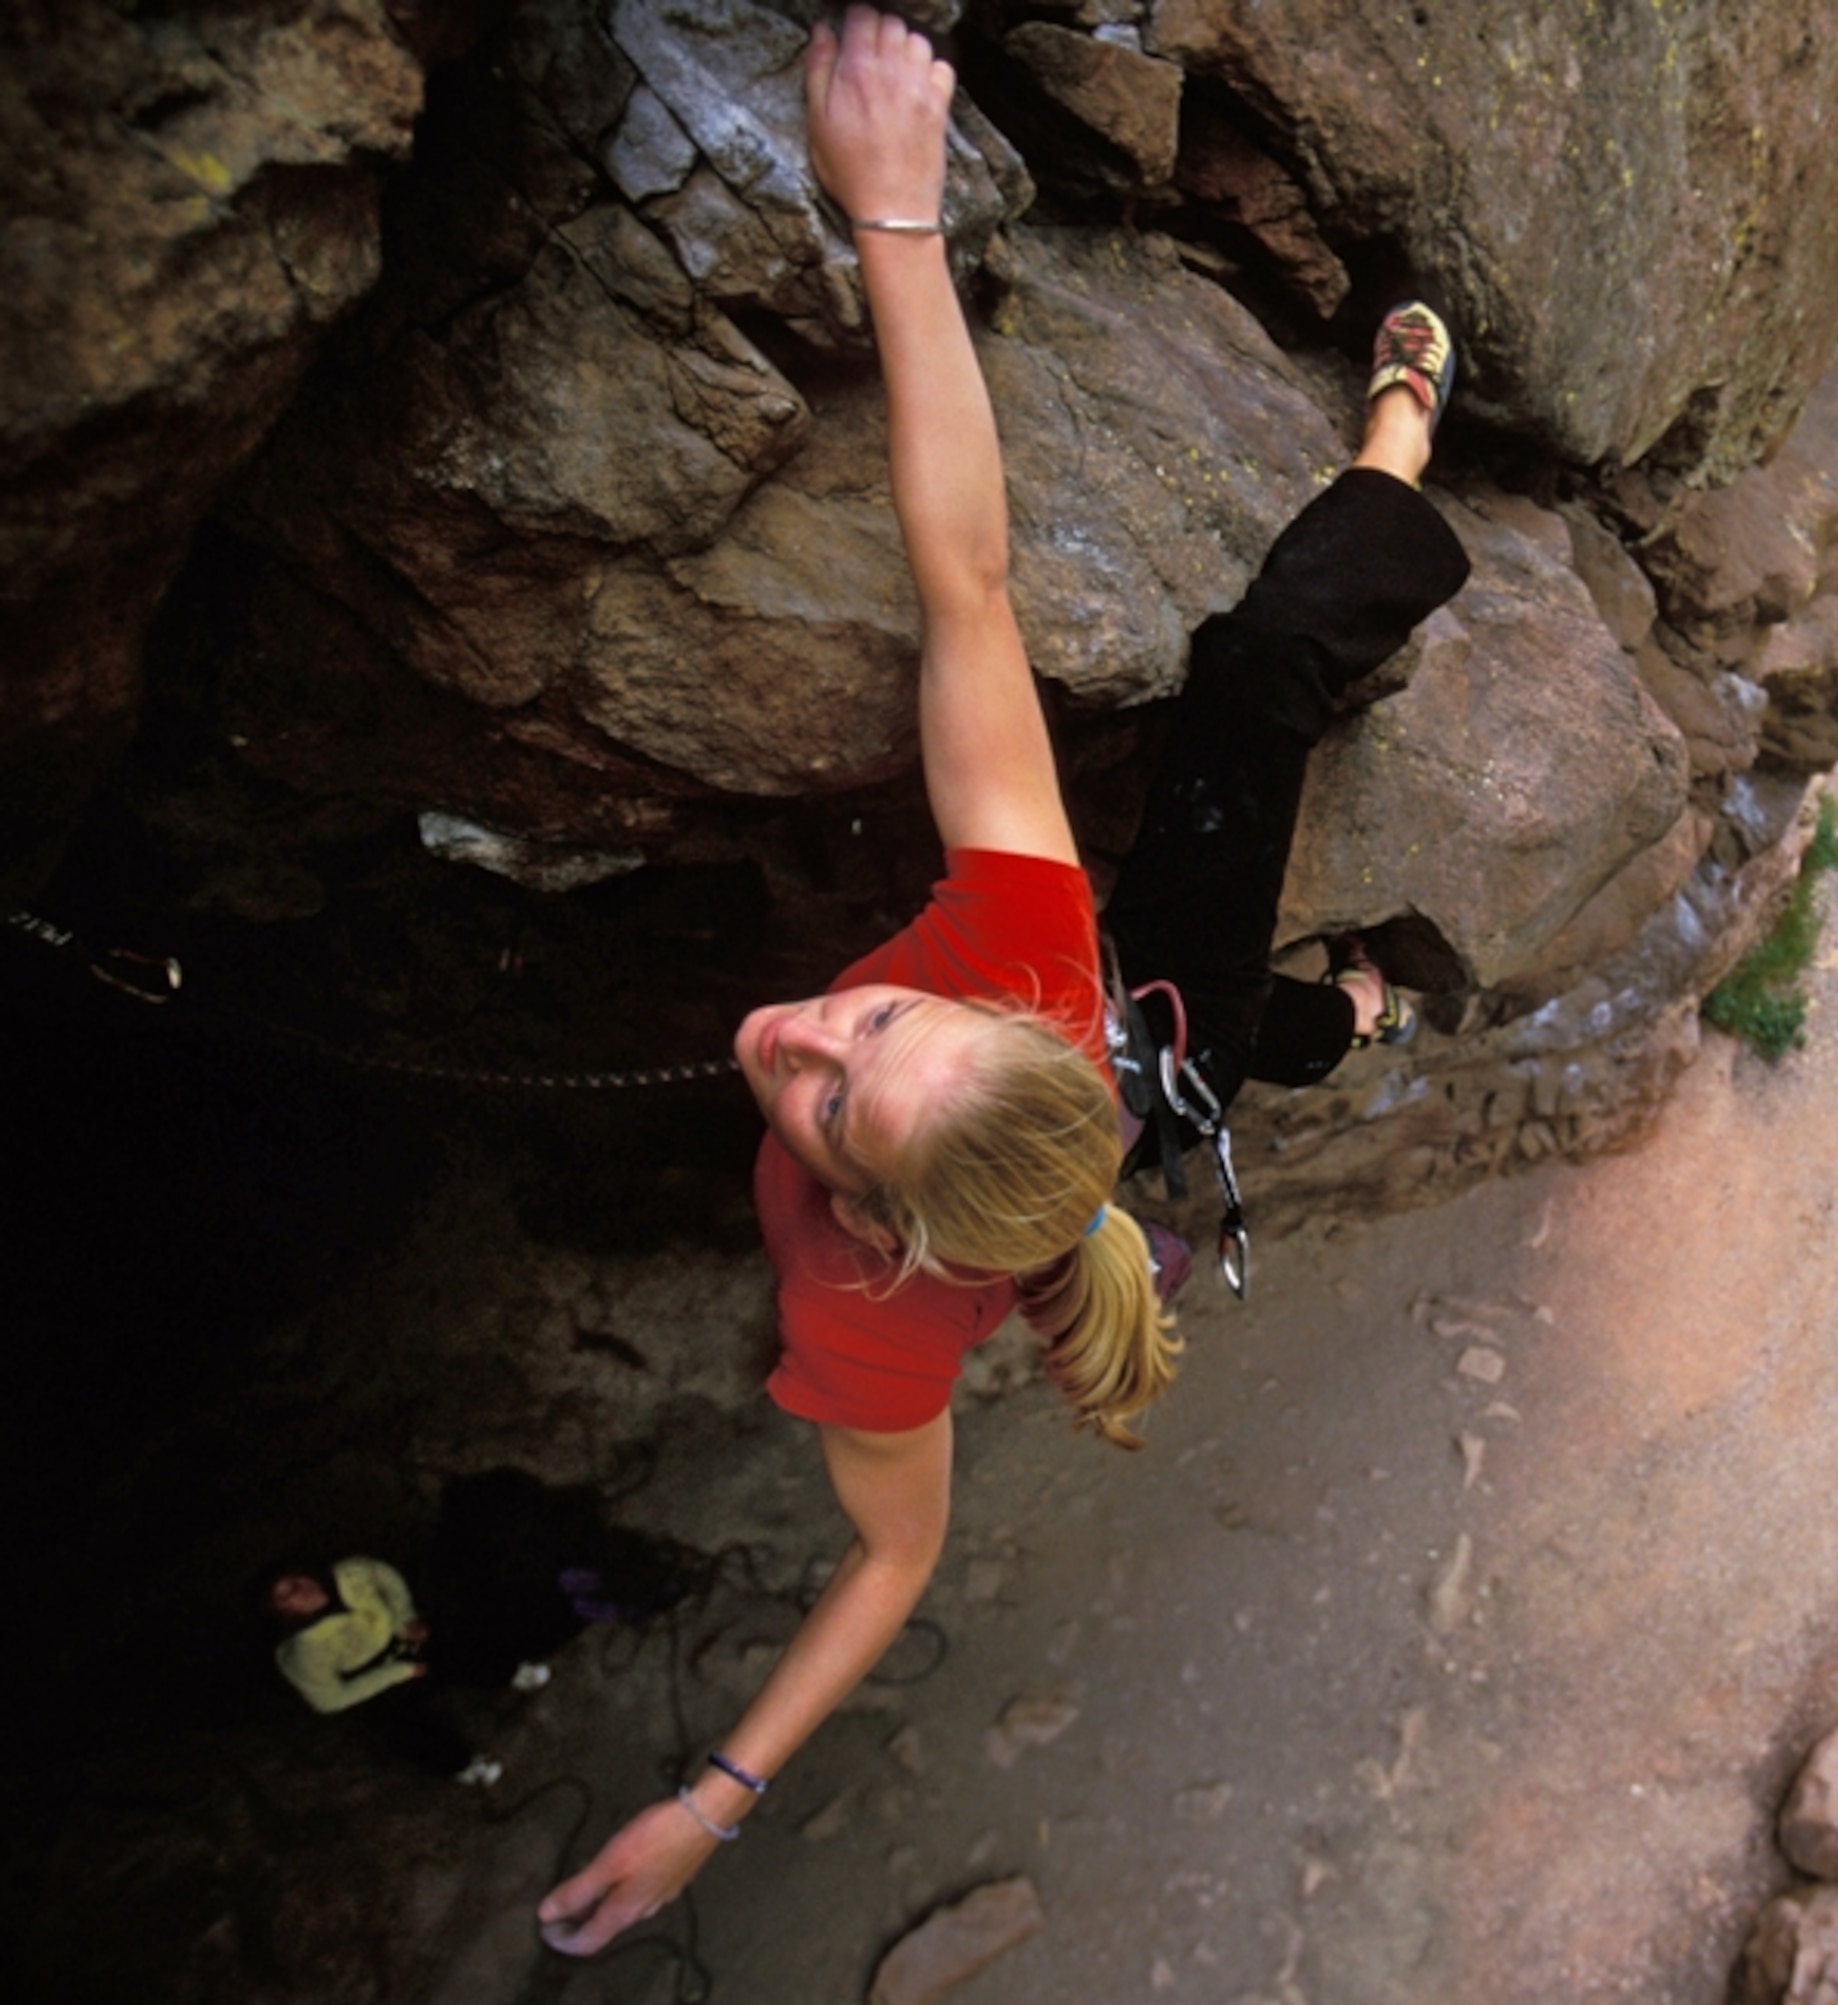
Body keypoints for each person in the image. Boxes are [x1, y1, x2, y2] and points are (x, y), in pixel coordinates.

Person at [537, 6, 1467, 1954]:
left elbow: (892, 1556)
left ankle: (1360, 966)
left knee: (1242, 923)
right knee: (1258, 806)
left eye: (834, 1073)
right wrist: (895, 214)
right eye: (850, 1048)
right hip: (1148, 1025)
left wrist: (715, 1800)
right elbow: (965, 571)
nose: (794, 1029)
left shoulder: (936, 1139)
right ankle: (1375, 976)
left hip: (1117, 1045)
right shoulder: (951, 1113)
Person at [269, 1556, 499, 1785]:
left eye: (294, 1581)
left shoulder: (349, 1575)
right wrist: (400, 1673)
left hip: (397, 1639)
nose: (299, 1590)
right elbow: (328, 1700)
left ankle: (512, 1673)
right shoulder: (305, 1652)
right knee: (400, 1726)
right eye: (285, 1596)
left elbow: (386, 1578)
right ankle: (463, 1766)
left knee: (452, 1639)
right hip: (367, 1677)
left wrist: (405, 1617)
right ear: (284, 1610)